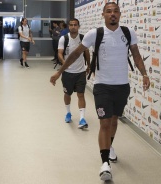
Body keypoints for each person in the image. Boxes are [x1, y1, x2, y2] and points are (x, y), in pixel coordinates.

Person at [50, 2, 150, 181]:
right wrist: (60, 71)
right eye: (109, 11)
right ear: (103, 15)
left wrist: (144, 74)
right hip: (102, 86)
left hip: (122, 86)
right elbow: (74, 54)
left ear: (119, 14)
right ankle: (105, 164)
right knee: (104, 123)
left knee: (113, 121)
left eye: (116, 11)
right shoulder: (94, 34)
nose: (113, 14)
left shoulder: (128, 33)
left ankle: (109, 147)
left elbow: (136, 54)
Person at [57, 18, 90, 128]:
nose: (73, 27)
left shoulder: (83, 38)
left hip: (80, 72)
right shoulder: (64, 39)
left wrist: (89, 66)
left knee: (81, 94)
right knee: (67, 94)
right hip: (67, 73)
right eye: (71, 25)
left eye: (75, 25)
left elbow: (87, 53)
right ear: (68, 27)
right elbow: (60, 53)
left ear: (78, 26)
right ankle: (68, 112)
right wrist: (64, 63)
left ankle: (82, 118)